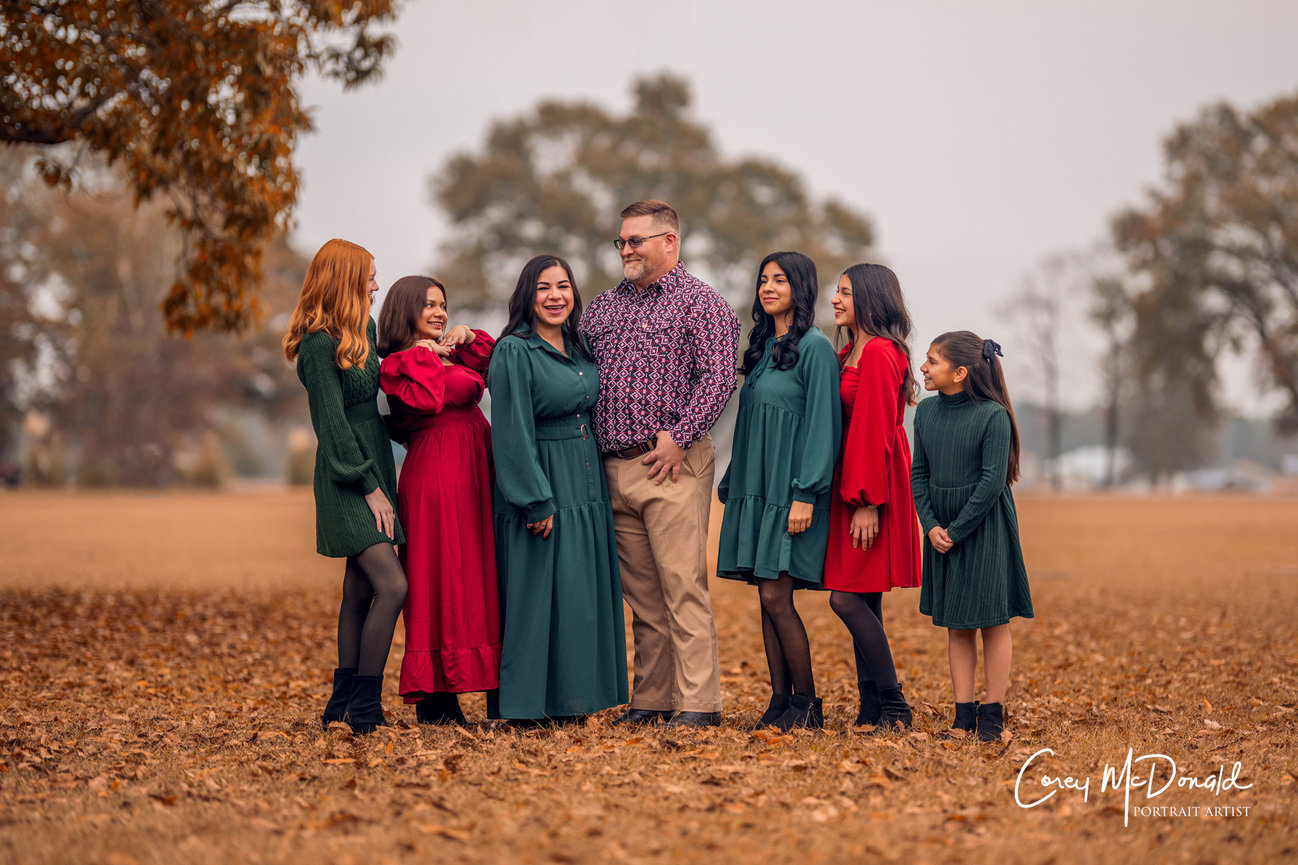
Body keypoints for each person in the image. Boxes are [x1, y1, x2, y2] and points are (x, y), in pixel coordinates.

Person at [578, 200, 740, 728]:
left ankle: (699, 705)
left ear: (669, 241)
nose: (626, 250)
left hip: (672, 463)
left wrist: (681, 437)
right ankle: (652, 700)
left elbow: (717, 378)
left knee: (682, 586)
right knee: (644, 598)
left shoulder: (703, 305)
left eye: (636, 241)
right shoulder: (602, 308)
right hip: (614, 469)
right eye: (621, 242)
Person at [487, 255, 629, 725]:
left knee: (576, 595)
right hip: (542, 481)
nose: (555, 296)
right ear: (527, 295)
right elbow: (512, 431)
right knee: (535, 595)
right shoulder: (514, 351)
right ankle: (527, 707)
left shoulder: (579, 345)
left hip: (586, 484)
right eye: (544, 287)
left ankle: (574, 700)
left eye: (563, 286)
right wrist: (534, 498)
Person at [283, 238, 408, 735]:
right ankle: (366, 706)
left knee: (359, 589)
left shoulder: (364, 330)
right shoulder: (318, 344)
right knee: (393, 585)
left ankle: (341, 700)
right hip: (347, 474)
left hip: (376, 460)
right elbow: (331, 425)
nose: (376, 285)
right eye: (369, 277)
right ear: (345, 281)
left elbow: (384, 384)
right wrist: (368, 487)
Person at [716, 251, 840, 730]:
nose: (768, 287)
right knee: (765, 598)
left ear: (800, 288)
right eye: (763, 280)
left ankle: (807, 705)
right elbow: (750, 422)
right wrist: (734, 479)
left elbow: (823, 427)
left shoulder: (815, 348)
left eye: (780, 280)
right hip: (756, 487)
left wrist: (806, 493)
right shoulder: (765, 348)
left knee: (775, 597)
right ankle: (779, 701)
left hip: (790, 491)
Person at [376, 276, 501, 724]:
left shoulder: (444, 352)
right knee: (440, 575)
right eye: (427, 305)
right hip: (438, 475)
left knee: (481, 573)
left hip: (476, 469)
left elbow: (495, 367)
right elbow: (427, 401)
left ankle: (495, 685)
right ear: (404, 310)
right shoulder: (398, 364)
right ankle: (436, 697)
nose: (439, 312)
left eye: (443, 305)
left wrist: (468, 339)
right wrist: (426, 355)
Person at [912, 331, 1034, 742]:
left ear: (959, 372)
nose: (923, 368)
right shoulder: (926, 414)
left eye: (932, 361)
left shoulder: (993, 416)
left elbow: (991, 481)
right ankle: (963, 716)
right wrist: (930, 525)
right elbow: (919, 474)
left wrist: (957, 529)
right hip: (940, 531)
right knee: (957, 624)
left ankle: (992, 714)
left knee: (993, 621)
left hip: (983, 527)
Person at [823, 264, 923, 731]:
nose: (836, 299)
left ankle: (896, 705)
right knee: (864, 598)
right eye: (837, 291)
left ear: (869, 298)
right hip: (853, 479)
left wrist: (867, 500)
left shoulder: (881, 352)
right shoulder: (851, 350)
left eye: (845, 292)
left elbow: (877, 429)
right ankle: (872, 708)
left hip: (870, 483)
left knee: (844, 599)